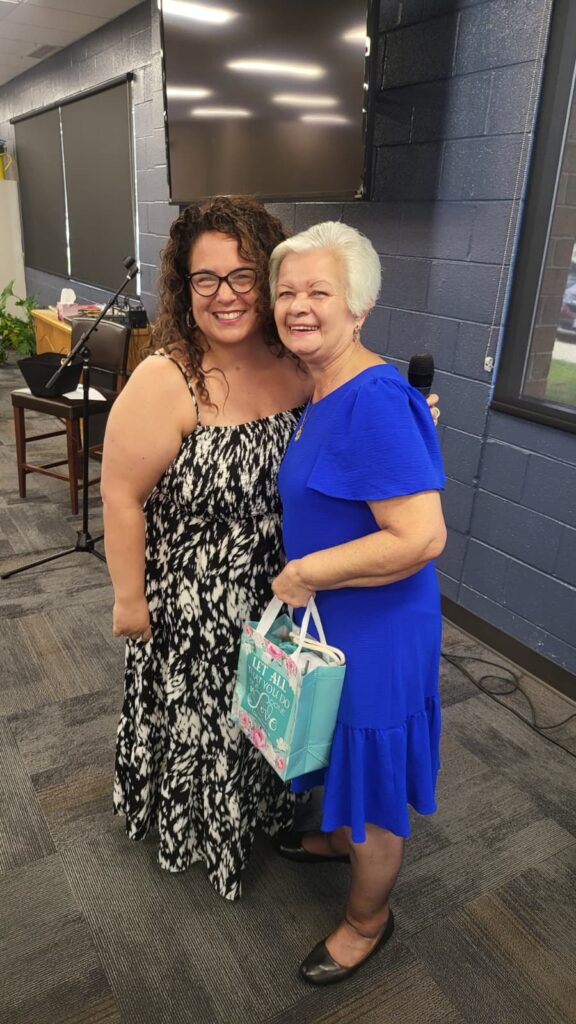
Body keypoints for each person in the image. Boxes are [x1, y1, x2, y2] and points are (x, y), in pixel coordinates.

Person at [101, 196, 440, 903]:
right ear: (185, 287)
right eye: (205, 278)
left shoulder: (300, 364)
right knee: (206, 727)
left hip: (286, 596)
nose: (225, 294)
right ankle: (203, 830)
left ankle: (271, 818)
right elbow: (120, 495)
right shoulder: (167, 377)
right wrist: (129, 599)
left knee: (271, 719)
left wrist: (410, 419)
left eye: (243, 276)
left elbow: (357, 427)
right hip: (196, 603)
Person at [268, 221, 446, 984]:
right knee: (341, 747)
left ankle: (368, 922)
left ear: (359, 307)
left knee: (372, 780)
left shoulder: (371, 397)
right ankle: (340, 840)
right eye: (287, 292)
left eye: (319, 291)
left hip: (378, 628)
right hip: (340, 617)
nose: (297, 306)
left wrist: (305, 572)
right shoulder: (327, 385)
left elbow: (421, 537)